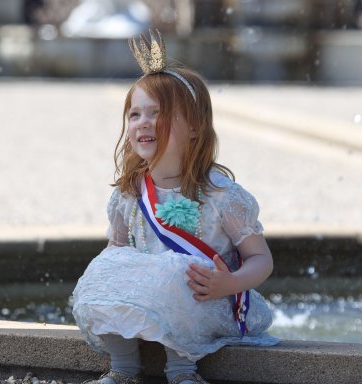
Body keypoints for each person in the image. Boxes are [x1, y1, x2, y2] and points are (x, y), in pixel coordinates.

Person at [72, 31, 279, 384]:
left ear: (195, 127)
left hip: (208, 299)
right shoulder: (129, 193)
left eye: (158, 113)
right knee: (103, 272)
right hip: (150, 301)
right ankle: (123, 368)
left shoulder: (221, 195)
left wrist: (229, 283)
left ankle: (183, 372)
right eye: (135, 114)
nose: (143, 123)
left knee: (175, 273)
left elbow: (262, 259)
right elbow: (117, 251)